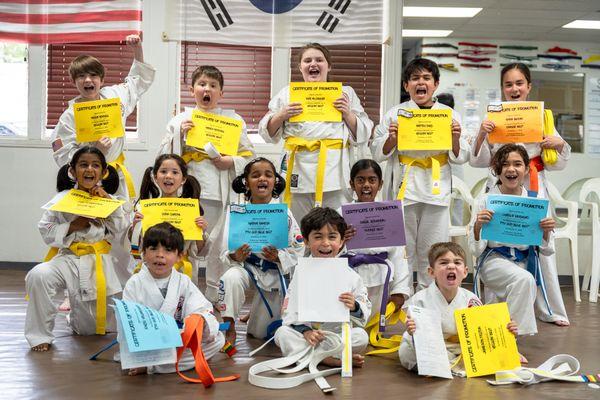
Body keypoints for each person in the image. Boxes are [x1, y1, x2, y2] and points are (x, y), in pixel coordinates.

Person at [469, 62, 570, 326]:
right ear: (502, 88)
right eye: (508, 84)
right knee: (499, 242)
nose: (514, 89)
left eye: (519, 83)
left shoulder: (542, 117)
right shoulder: (494, 118)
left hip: (534, 186)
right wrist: (482, 133)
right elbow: (478, 161)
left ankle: (549, 309)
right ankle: (496, 308)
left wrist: (559, 144)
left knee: (540, 240)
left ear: (528, 86)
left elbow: (558, 162)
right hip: (501, 188)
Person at [371, 58, 468, 290]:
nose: (420, 83)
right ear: (406, 86)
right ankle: (402, 300)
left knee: (432, 250)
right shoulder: (395, 114)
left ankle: (427, 300)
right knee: (402, 251)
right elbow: (377, 153)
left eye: (426, 78)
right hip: (404, 187)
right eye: (415, 78)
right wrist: (391, 139)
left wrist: (455, 137)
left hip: (436, 189)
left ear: (436, 84)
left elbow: (462, 155)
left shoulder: (449, 115)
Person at [25, 146, 127, 351]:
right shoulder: (62, 199)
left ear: (103, 171)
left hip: (98, 262)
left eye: (95, 165)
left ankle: (74, 315)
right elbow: (45, 230)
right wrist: (73, 225)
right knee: (39, 275)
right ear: (72, 171)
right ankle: (40, 336)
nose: (89, 169)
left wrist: (107, 203)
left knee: (88, 330)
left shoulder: (111, 200)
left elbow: (120, 229)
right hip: (68, 258)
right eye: (83, 165)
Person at [258, 43, 373, 222]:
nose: (313, 64)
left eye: (319, 60)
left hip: (333, 171)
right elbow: (267, 133)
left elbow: (364, 133)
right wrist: (281, 115)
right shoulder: (288, 93)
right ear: (300, 67)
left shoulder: (345, 93)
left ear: (329, 65)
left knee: (333, 228)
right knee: (297, 228)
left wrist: (347, 113)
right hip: (297, 168)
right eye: (307, 60)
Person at [50, 34, 155, 201]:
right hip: (87, 179)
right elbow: (63, 156)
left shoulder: (114, 97)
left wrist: (137, 49)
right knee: (90, 223)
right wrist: (94, 153)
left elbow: (137, 82)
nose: (88, 80)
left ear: (102, 79)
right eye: (81, 76)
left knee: (119, 222)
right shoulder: (69, 117)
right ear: (73, 81)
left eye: (93, 75)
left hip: (115, 175)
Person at [212, 158, 304, 344]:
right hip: (245, 267)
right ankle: (229, 327)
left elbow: (298, 247)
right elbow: (223, 251)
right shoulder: (236, 212)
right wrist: (234, 256)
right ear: (246, 182)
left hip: (272, 271)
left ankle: (255, 313)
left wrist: (279, 257)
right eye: (255, 175)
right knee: (230, 278)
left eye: (268, 175)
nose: (262, 179)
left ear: (275, 181)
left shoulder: (283, 213)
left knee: (260, 334)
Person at [469, 144, 556, 339]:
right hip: (493, 261)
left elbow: (547, 249)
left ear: (526, 169)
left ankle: (501, 339)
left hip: (524, 262)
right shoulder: (484, 200)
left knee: (522, 281)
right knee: (524, 280)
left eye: (517, 164)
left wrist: (547, 231)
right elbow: (475, 250)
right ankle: (511, 338)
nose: (511, 169)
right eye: (505, 164)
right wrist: (478, 225)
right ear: (497, 170)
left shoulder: (536, 202)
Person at [158, 65, 255, 233]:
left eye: (213, 85)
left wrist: (230, 161)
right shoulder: (179, 120)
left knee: (215, 240)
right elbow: (162, 158)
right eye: (202, 84)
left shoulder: (234, 120)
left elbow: (250, 157)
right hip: (186, 189)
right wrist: (179, 136)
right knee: (187, 235)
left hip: (220, 191)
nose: (207, 89)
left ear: (221, 93)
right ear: (191, 90)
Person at [399, 242, 519, 373]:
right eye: (444, 263)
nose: (451, 266)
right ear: (431, 272)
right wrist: (412, 329)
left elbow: (483, 332)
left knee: (489, 353)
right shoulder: (420, 299)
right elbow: (417, 334)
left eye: (457, 263)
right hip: (431, 347)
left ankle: (447, 364)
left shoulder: (471, 299)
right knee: (407, 352)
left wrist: (506, 331)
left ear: (465, 272)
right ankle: (443, 364)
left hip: (460, 348)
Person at [122, 222, 224, 375]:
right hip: (148, 344)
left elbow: (200, 308)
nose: (160, 254)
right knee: (133, 350)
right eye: (153, 248)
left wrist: (200, 320)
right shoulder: (134, 283)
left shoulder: (183, 281)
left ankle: (154, 365)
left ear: (179, 256)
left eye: (168, 250)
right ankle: (154, 363)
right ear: (143, 253)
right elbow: (128, 322)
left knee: (218, 340)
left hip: (178, 340)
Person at [274, 207, 371, 368]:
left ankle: (311, 357)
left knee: (360, 337)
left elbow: (364, 312)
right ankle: (328, 358)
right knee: (282, 334)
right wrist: (306, 331)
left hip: (336, 334)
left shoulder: (351, 276)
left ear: (341, 242)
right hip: (308, 336)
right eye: (318, 237)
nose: (325, 243)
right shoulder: (300, 273)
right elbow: (288, 310)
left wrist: (354, 306)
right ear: (306, 241)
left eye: (332, 237)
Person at [340, 159, 410, 328]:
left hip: (381, 277)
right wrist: (342, 240)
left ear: (380, 184)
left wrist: (399, 290)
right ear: (352, 183)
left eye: (372, 180)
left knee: (376, 324)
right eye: (360, 180)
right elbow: (329, 249)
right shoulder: (340, 213)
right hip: (351, 275)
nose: (366, 185)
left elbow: (399, 255)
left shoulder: (390, 213)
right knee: (354, 322)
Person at [129, 154, 207, 284]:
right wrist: (135, 227)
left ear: (183, 179)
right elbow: (137, 247)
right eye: (163, 171)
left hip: (181, 272)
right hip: (152, 269)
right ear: (155, 177)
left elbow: (199, 251)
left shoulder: (191, 210)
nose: (168, 176)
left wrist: (201, 231)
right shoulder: (144, 208)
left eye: (175, 172)